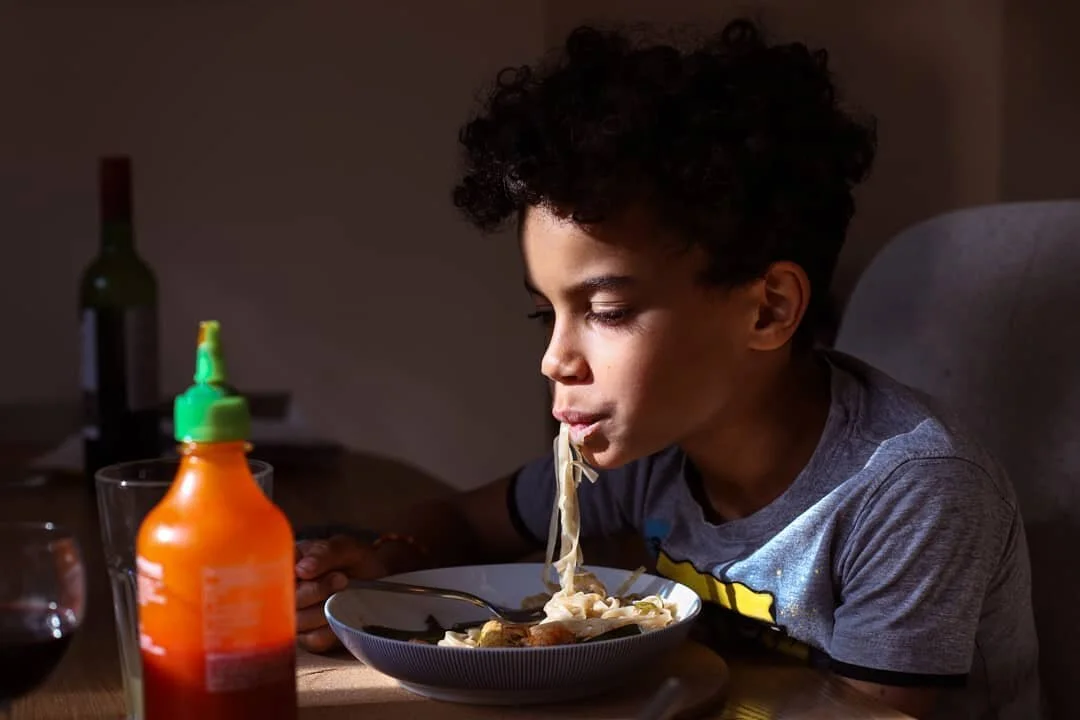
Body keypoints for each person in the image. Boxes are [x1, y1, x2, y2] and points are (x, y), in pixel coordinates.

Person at [294, 18, 1041, 720]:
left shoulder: (910, 491)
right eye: (545, 313)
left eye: (608, 312)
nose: (555, 358)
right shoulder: (646, 456)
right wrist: (386, 565)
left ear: (767, 311)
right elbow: (460, 519)